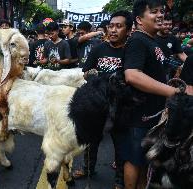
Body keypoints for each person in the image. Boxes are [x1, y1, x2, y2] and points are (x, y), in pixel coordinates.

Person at [122, 1, 193, 188]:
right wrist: (175, 92)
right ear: (138, 19)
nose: (160, 15)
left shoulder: (151, 40)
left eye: (162, 11)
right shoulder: (137, 40)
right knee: (134, 159)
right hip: (139, 116)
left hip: (152, 114)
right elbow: (132, 75)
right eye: (154, 12)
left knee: (145, 160)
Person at [73, 11, 133, 189]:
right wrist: (95, 80)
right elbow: (85, 72)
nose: (113, 30)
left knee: (121, 144)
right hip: (98, 106)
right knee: (92, 142)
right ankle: (88, 169)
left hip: (122, 107)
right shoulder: (98, 49)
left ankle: (119, 180)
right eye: (111, 26)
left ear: (128, 30)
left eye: (119, 26)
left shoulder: (131, 51)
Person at [155, 14, 187, 79]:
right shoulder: (152, 37)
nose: (168, 27)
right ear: (160, 23)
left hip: (166, 72)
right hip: (152, 71)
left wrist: (190, 62)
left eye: (170, 24)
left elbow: (181, 54)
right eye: (165, 24)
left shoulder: (173, 38)